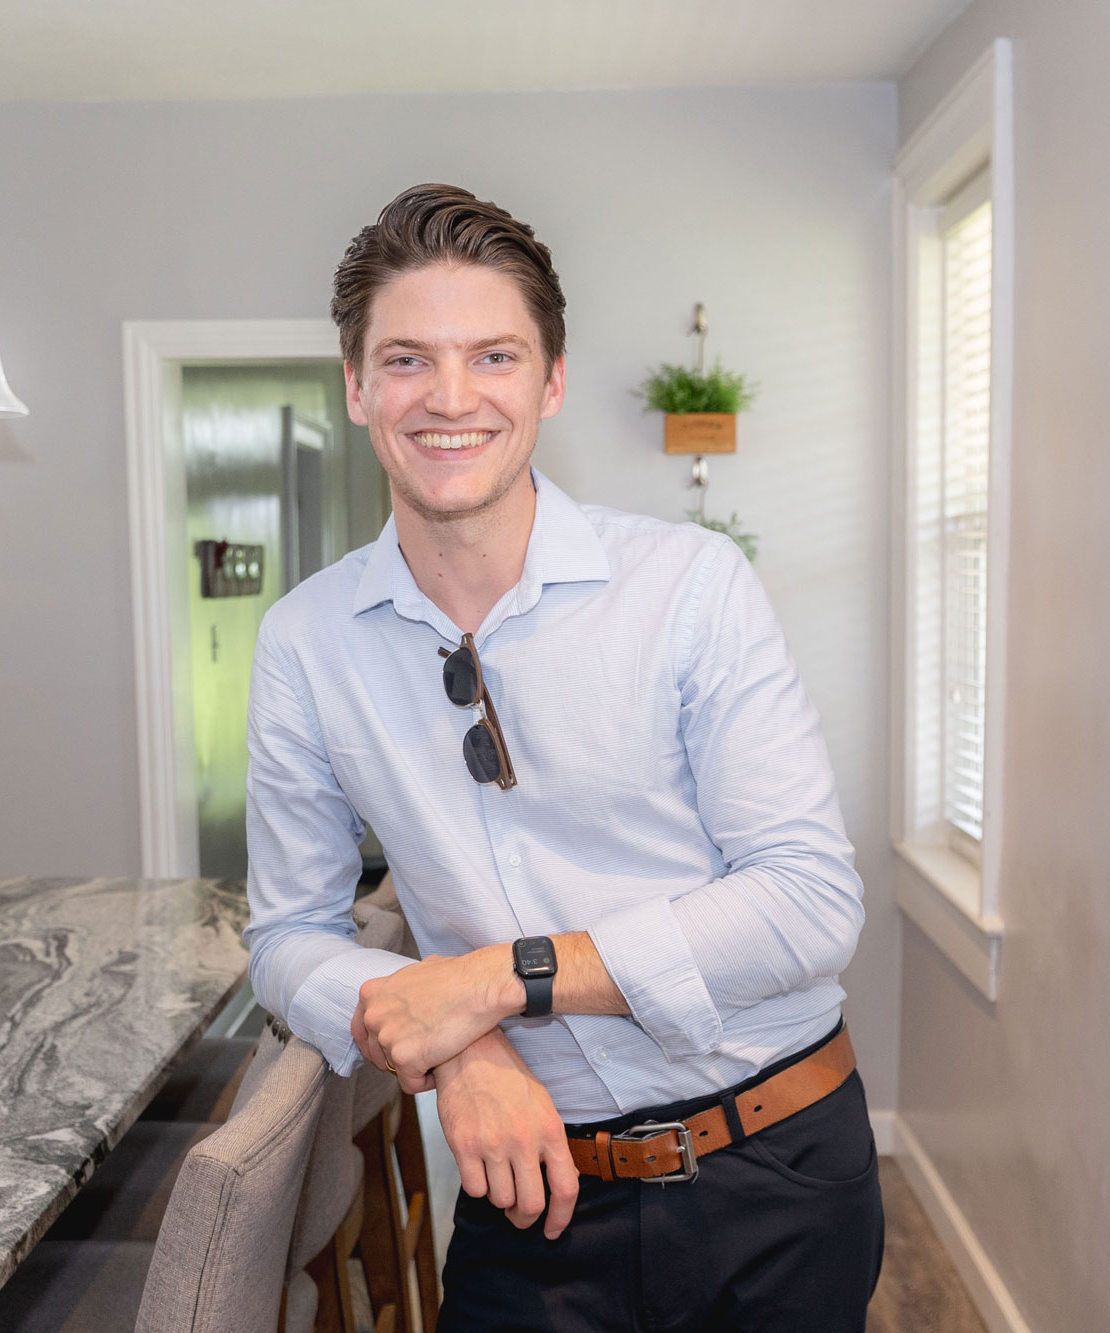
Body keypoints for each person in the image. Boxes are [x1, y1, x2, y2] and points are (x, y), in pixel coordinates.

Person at [243, 183, 883, 1331]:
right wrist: (462, 1043)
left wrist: (495, 978)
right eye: (404, 360)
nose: (448, 398)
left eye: (491, 355)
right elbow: (287, 939)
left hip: (774, 1171)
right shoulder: (304, 642)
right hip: (526, 1191)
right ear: (352, 389)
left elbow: (808, 904)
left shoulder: (688, 589)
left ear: (549, 381)